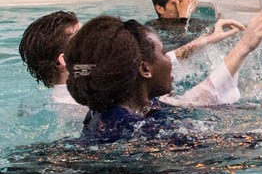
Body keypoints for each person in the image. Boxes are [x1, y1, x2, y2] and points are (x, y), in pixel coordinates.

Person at [65, 7, 262, 142]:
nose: (170, 59)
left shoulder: (109, 111)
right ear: (145, 70)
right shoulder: (142, 134)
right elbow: (234, 149)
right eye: (162, 53)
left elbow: (197, 105)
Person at [18, 9, 247, 107]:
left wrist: (205, 40)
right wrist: (244, 47)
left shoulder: (87, 77)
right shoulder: (77, 103)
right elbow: (188, 104)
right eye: (82, 36)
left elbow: (145, 64)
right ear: (64, 61)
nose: (94, 36)